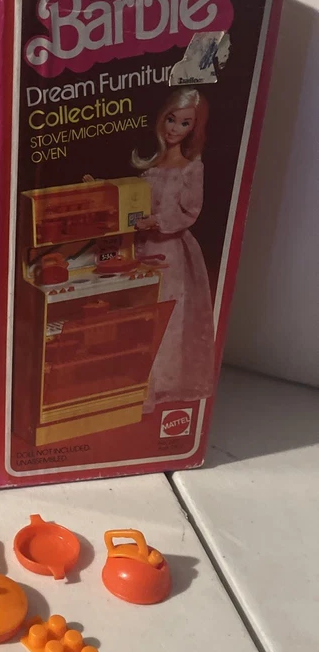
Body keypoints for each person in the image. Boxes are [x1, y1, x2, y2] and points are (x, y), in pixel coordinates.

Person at [84, 86, 215, 413]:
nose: (174, 128)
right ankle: (129, 386)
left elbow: (191, 212)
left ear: (193, 128)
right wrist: (101, 188)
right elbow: (132, 199)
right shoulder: (151, 164)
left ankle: (154, 389)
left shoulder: (191, 168)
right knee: (136, 315)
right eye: (171, 119)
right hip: (139, 249)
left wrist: (156, 221)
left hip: (169, 251)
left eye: (184, 123)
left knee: (162, 318)